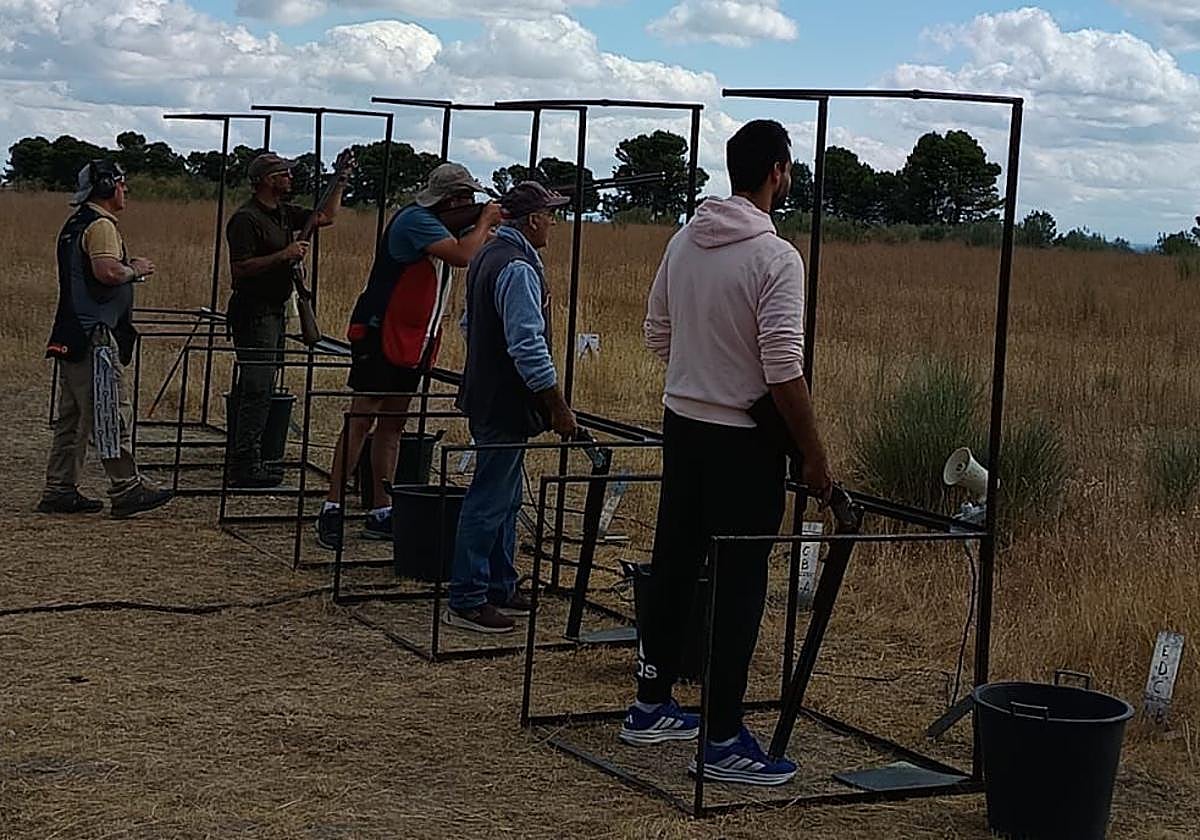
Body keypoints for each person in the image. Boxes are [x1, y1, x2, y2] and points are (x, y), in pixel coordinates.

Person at [619, 120, 834, 786]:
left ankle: (651, 702)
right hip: (744, 444)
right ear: (777, 172)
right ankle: (721, 740)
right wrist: (814, 454)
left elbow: (658, 331)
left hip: (683, 422)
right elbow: (782, 370)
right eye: (789, 167)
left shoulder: (685, 239)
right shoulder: (776, 259)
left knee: (676, 562)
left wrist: (698, 374)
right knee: (741, 581)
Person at [315, 163, 501, 549]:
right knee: (361, 418)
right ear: (452, 200)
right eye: (467, 198)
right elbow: (463, 255)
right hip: (382, 332)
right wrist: (485, 221)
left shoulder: (438, 220)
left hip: (414, 340)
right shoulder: (416, 221)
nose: (473, 204)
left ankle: (381, 509)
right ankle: (332, 506)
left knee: (393, 424)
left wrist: (487, 223)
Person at [446, 181, 577, 634]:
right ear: (534, 220)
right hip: (504, 402)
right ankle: (467, 596)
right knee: (489, 500)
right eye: (550, 215)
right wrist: (557, 406)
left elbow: (469, 324)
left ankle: (500, 583)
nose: (555, 223)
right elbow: (528, 347)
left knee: (505, 498)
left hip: (489, 396)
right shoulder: (518, 267)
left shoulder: (486, 254)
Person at [38, 159, 175, 518]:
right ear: (107, 186)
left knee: (74, 419)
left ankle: (60, 488)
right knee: (108, 410)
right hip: (95, 334)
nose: (125, 189)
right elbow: (108, 271)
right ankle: (126, 487)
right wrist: (136, 271)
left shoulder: (76, 223)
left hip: (74, 332)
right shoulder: (100, 226)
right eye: (121, 182)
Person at [224, 151, 347, 487]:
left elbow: (325, 217)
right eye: (284, 174)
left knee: (260, 385)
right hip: (254, 310)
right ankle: (244, 464)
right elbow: (240, 268)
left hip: (272, 309)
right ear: (267, 180)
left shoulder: (280, 212)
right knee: (256, 387)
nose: (290, 178)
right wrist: (284, 255)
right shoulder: (246, 219)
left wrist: (341, 179)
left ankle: (248, 456)